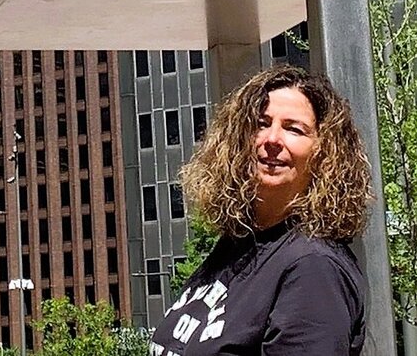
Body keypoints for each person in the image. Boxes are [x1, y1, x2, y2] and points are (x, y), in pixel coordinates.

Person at [149, 64, 372, 355]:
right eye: (261, 123)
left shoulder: (313, 267)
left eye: (294, 129)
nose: (271, 140)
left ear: (325, 153)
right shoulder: (240, 245)